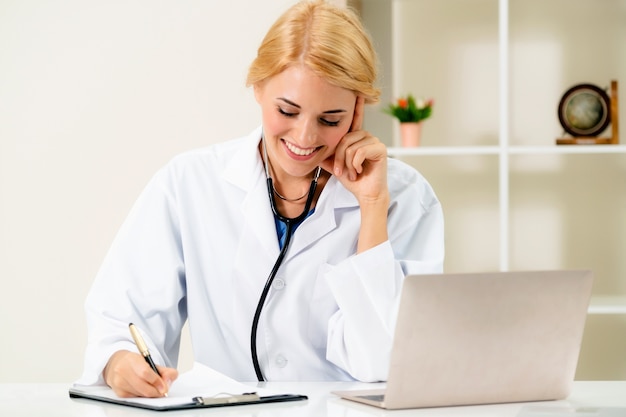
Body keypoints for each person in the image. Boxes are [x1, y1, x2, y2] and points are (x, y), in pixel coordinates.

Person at [77, 0, 444, 398]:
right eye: (287, 110)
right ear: (258, 86)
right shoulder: (188, 183)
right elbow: (121, 314)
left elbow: (382, 364)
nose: (304, 138)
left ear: (359, 108)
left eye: (330, 119)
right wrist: (118, 361)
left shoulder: (405, 198)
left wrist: (372, 208)